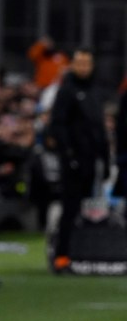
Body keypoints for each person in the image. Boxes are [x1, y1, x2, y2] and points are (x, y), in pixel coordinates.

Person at [46, 47, 110, 272]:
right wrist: (68, 154)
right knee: (70, 208)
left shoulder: (94, 91)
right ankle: (61, 255)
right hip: (73, 160)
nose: (83, 67)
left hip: (92, 160)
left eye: (87, 63)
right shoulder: (67, 91)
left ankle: (87, 254)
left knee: (92, 211)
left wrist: (106, 158)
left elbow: (99, 128)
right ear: (73, 65)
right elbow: (58, 125)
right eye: (79, 63)